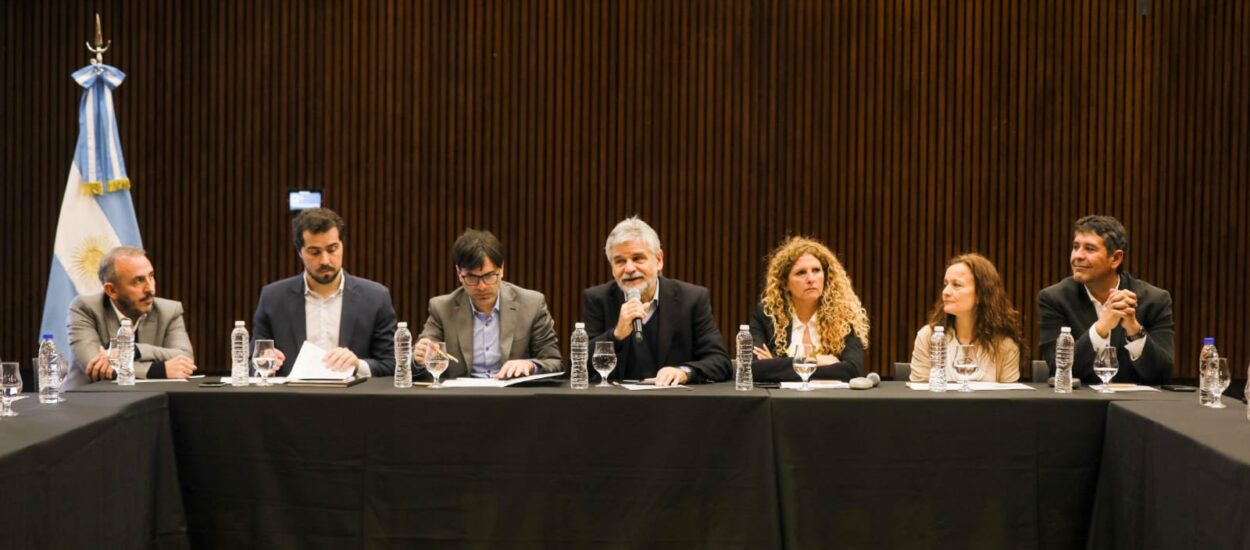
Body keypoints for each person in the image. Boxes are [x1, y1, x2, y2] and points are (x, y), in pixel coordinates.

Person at [582, 216, 731, 386]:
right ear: (612, 269)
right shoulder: (598, 299)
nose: (629, 269)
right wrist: (616, 335)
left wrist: (684, 372)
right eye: (620, 261)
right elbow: (578, 366)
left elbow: (720, 362)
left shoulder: (691, 298)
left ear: (659, 260)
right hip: (616, 405)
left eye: (638, 258)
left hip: (674, 406)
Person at [252, 208, 396, 377]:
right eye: (315, 252)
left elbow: (392, 364)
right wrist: (264, 365)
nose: (325, 260)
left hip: (352, 400)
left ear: (342, 246)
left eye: (332, 249)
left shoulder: (375, 297)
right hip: (292, 400)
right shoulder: (273, 298)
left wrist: (357, 364)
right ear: (300, 252)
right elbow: (252, 362)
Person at [1038, 215, 1173, 385]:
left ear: (1115, 258)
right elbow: (1059, 370)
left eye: (1089, 249)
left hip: (1137, 406)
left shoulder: (1154, 300)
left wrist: (1134, 330)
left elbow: (1162, 374)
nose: (1077, 256)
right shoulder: (1055, 299)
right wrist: (1101, 328)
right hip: (1079, 405)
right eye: (1075, 247)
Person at [413, 229, 562, 379]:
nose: (482, 286)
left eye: (489, 276)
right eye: (472, 278)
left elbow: (554, 362)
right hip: (462, 397)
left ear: (502, 269)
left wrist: (531, 365)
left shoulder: (531, 304)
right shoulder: (442, 308)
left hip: (513, 397)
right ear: (459, 273)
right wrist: (419, 357)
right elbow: (418, 357)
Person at [65, 246, 196, 388]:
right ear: (112, 290)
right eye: (138, 281)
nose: (150, 289)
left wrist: (136, 351)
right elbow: (95, 367)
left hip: (143, 403)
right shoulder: (85, 308)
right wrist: (157, 370)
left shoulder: (169, 311)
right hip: (85, 402)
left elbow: (186, 359)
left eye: (151, 276)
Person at [748, 236, 869, 382]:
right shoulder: (768, 314)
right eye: (801, 273)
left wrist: (776, 364)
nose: (811, 279)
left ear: (826, 277)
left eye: (816, 270)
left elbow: (853, 371)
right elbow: (756, 369)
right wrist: (817, 360)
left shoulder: (844, 315)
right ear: (785, 284)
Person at [910, 253, 1023, 383]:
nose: (945, 292)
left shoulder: (1004, 345)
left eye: (956, 285)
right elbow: (918, 396)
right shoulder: (928, 337)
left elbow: (1009, 400)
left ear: (980, 294)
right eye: (945, 284)